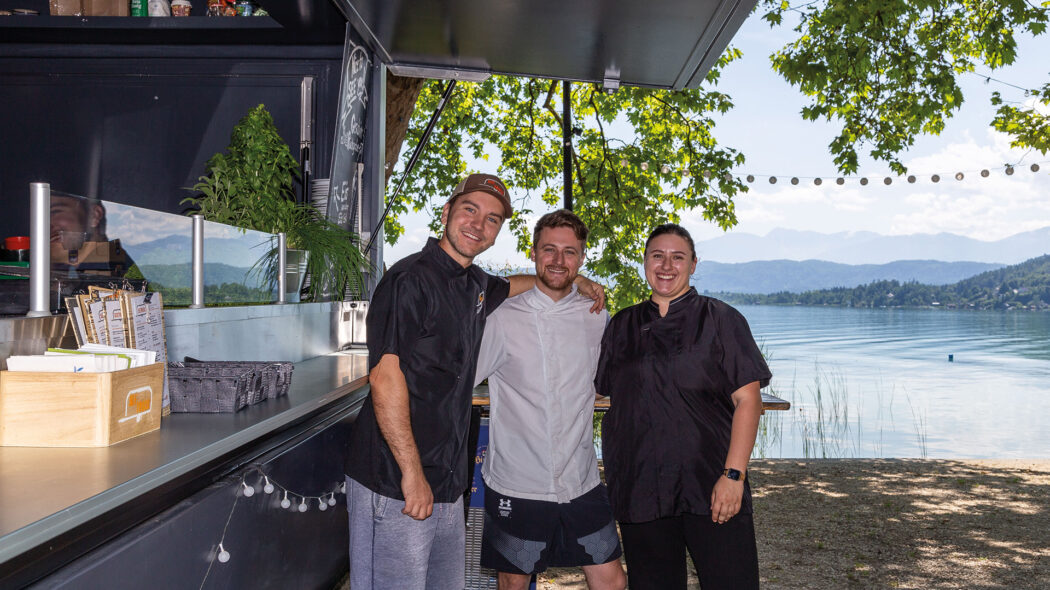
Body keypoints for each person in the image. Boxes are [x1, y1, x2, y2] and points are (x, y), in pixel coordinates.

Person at [344, 175, 604, 590]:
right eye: (470, 210)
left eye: (492, 219)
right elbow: (385, 377)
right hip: (394, 479)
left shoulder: (474, 285)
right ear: (446, 213)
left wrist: (576, 281)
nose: (478, 224)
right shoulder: (409, 279)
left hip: (447, 480)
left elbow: (523, 284)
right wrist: (411, 474)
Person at [595, 223, 771, 590]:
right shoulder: (622, 325)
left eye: (678, 257)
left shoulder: (721, 319)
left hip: (711, 485)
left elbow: (748, 401)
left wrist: (734, 476)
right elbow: (603, 393)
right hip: (640, 488)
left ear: (693, 264)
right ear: (644, 262)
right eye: (657, 256)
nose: (666, 265)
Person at [474, 210, 626, 590]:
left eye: (569, 252)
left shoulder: (596, 314)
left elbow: (600, 380)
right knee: (514, 581)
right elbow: (465, 377)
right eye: (549, 250)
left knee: (612, 579)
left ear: (582, 258)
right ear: (533, 252)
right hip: (518, 481)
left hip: (581, 478)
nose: (558, 260)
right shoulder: (503, 316)